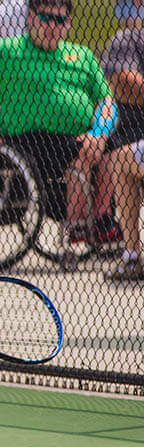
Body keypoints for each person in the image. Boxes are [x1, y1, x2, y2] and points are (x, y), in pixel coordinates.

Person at [0, 0, 118, 246]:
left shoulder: (83, 56)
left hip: (87, 135)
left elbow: (106, 100)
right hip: (34, 139)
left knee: (113, 149)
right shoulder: (6, 51)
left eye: (60, 20)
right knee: (82, 152)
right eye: (46, 18)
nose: (52, 26)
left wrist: (98, 133)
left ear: (69, 24)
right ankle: (79, 225)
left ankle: (101, 219)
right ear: (31, 18)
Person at [100, 0, 144, 280]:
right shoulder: (129, 38)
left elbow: (126, 82)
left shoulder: (129, 37)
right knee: (120, 156)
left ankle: (132, 254)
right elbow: (122, 81)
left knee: (120, 159)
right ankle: (133, 257)